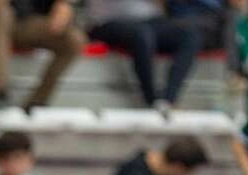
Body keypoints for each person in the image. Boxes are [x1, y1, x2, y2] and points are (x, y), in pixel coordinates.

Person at [87, 0, 217, 110]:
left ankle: (167, 100)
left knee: (190, 35)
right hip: (108, 22)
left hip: (151, 21)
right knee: (142, 35)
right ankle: (151, 101)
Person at [0, 0, 87, 110]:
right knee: (2, 13)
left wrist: (63, 5)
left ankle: (36, 102)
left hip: (21, 20)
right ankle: (0, 92)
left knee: (73, 40)